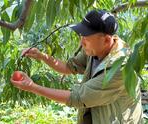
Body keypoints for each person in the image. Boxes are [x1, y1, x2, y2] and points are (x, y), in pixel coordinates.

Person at [10, 9, 143, 124]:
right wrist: (42, 56)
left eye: (86, 37)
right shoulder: (96, 50)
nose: (82, 42)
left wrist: (32, 87)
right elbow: (69, 67)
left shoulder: (120, 67)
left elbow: (78, 98)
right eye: (81, 36)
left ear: (107, 40)